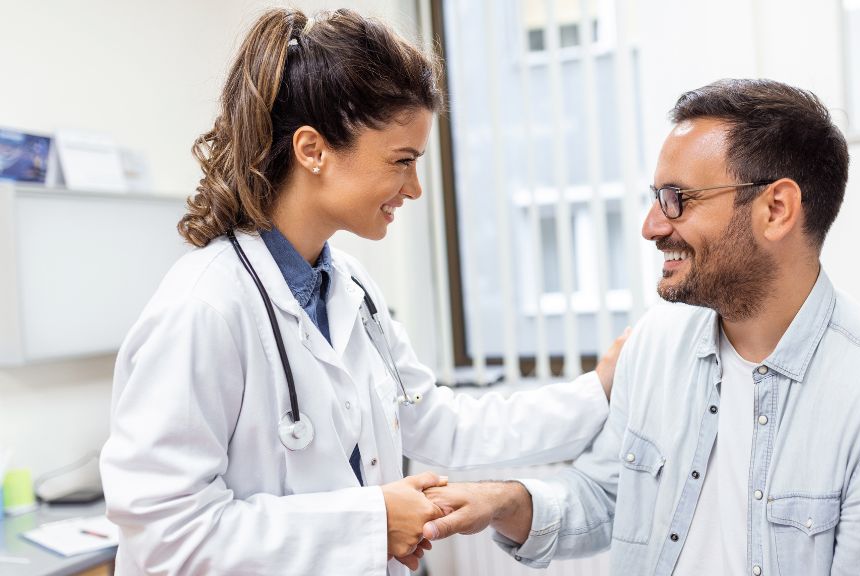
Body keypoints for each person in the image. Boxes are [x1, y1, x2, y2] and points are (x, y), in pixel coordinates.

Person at [99, 8, 627, 575]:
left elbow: (438, 423)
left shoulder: (349, 286)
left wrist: (597, 390)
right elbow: (166, 541)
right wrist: (373, 520)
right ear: (313, 150)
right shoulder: (203, 308)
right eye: (402, 161)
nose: (415, 188)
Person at [421, 79, 860, 575]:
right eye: (655, 198)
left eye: (677, 199)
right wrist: (503, 501)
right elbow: (605, 496)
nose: (650, 226)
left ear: (777, 209)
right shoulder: (655, 347)